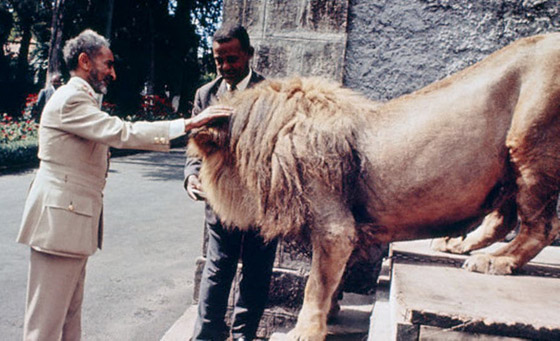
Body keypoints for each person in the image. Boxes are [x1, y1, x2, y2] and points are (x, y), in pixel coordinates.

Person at [16, 29, 230, 341]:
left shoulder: (81, 98)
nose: (113, 72)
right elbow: (122, 132)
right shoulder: (73, 98)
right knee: (46, 325)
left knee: (67, 320)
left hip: (67, 225)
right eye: (108, 63)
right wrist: (187, 124)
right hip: (58, 225)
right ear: (85, 61)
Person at [184, 24, 278, 341]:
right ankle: (207, 335)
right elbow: (194, 150)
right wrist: (191, 176)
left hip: (259, 204)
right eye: (218, 60)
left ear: (249, 55)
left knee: (256, 271)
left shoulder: (271, 94)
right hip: (219, 204)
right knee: (217, 268)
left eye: (232, 59)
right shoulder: (205, 95)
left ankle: (243, 335)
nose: (225, 67)